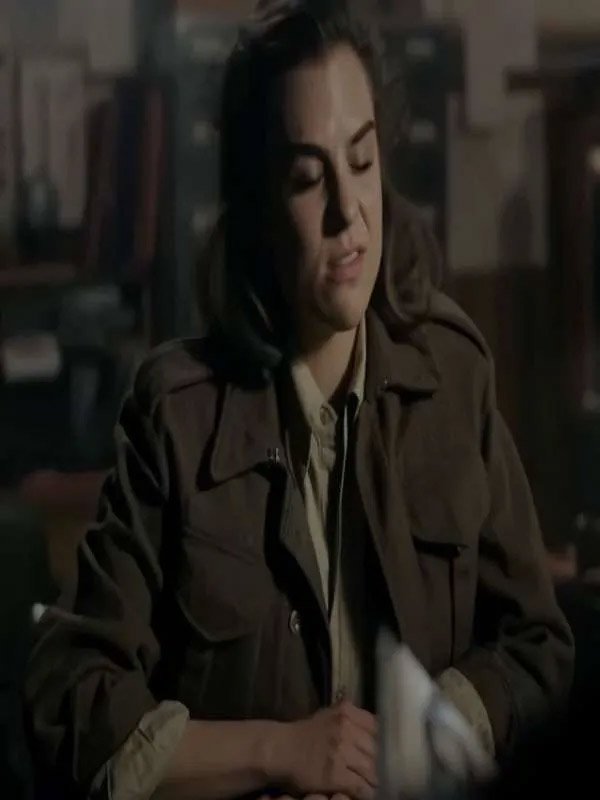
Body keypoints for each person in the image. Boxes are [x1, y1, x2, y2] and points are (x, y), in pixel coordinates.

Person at [25, 2, 573, 799]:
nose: (349, 213)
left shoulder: (453, 376)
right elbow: (68, 699)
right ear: (257, 209)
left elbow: (536, 645)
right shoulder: (176, 418)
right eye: (309, 179)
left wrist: (420, 739)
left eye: (362, 160)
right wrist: (281, 751)